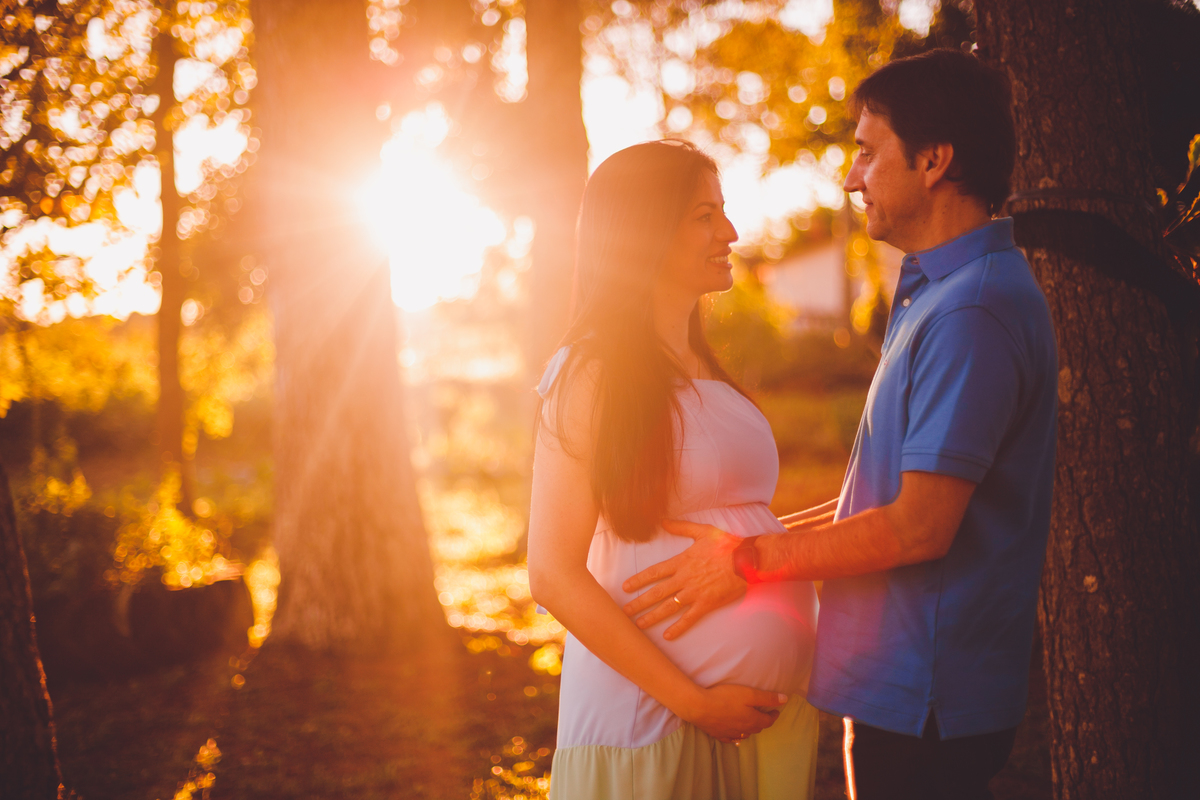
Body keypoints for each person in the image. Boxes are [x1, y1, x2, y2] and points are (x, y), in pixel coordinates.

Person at [621, 49, 1057, 800]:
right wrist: (754, 541)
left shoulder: (972, 313)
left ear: (933, 161)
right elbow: (881, 498)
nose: (852, 177)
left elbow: (918, 529)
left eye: (866, 151)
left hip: (927, 698)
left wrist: (746, 561)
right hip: (906, 689)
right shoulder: (938, 295)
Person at [527, 140, 819, 800]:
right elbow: (551, 572)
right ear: (644, 232)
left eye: (724, 211)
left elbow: (746, 522)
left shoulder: (704, 367)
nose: (731, 232)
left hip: (741, 728)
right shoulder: (591, 372)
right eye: (704, 216)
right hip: (651, 724)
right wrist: (693, 701)